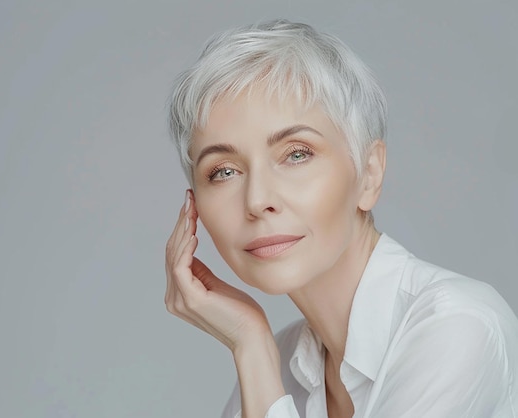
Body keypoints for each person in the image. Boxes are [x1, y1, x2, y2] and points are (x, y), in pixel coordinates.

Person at [164, 19, 518, 418]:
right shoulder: (281, 361)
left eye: (296, 153)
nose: (258, 200)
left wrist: (252, 350)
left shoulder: (457, 326)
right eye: (223, 171)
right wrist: (254, 345)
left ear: (369, 173)